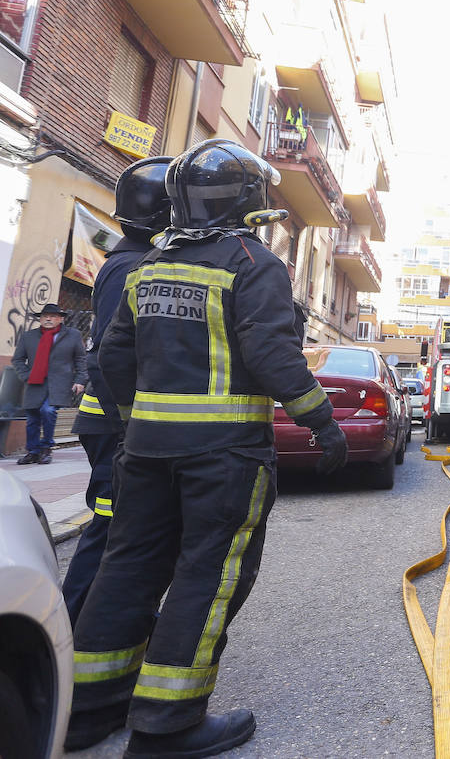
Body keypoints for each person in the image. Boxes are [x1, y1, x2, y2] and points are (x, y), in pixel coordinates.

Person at [64, 140, 349, 756]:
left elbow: (112, 358)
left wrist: (133, 425)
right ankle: (169, 725)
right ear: (246, 199)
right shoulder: (251, 264)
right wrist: (321, 421)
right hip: (223, 458)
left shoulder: (149, 265)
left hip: (143, 455)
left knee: (128, 567)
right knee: (208, 575)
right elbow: (273, 356)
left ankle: (87, 709)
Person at [62, 156, 172, 625]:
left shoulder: (131, 260)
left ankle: (107, 631)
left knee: (123, 531)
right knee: (110, 532)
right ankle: (66, 640)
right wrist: (131, 429)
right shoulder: (130, 266)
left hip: (113, 424)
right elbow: (111, 353)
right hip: (114, 427)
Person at [12, 302, 87, 464]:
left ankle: (46, 448)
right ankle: (32, 451)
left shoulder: (73, 335)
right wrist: (26, 375)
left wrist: (80, 380)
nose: (48, 319)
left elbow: (81, 359)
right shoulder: (29, 336)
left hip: (59, 383)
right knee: (32, 418)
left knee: (48, 411)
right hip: (34, 383)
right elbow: (17, 359)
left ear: (60, 319)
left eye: (53, 316)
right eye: (45, 316)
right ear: (40, 319)